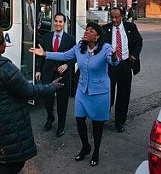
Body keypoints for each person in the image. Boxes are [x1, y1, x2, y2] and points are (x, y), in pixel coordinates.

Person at [0, 27, 63, 174]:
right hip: (3, 127)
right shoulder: (7, 69)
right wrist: (52, 87)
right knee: (13, 164)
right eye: (3, 41)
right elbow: (29, 91)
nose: (5, 43)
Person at [30, 22, 119, 167]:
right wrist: (45, 53)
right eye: (86, 30)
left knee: (97, 124)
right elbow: (64, 55)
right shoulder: (80, 47)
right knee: (79, 120)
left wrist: (114, 57)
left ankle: (96, 151)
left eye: (90, 31)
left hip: (100, 92)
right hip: (83, 90)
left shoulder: (106, 48)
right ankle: (86, 146)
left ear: (97, 36)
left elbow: (113, 61)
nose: (86, 32)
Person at [35, 13, 76, 137]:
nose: (58, 24)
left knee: (62, 101)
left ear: (64, 23)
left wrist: (67, 65)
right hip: (48, 73)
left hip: (62, 74)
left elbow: (75, 56)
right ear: (53, 22)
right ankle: (50, 117)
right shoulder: (46, 37)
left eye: (60, 22)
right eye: (56, 21)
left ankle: (61, 126)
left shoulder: (70, 39)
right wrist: (38, 70)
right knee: (47, 99)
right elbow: (41, 55)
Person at [103, 7, 143, 133]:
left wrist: (134, 55)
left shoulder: (130, 27)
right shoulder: (105, 29)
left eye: (117, 17)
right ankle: (103, 117)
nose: (114, 20)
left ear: (122, 17)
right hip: (111, 65)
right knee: (108, 93)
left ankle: (120, 122)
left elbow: (139, 42)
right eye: (112, 17)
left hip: (125, 64)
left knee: (123, 95)